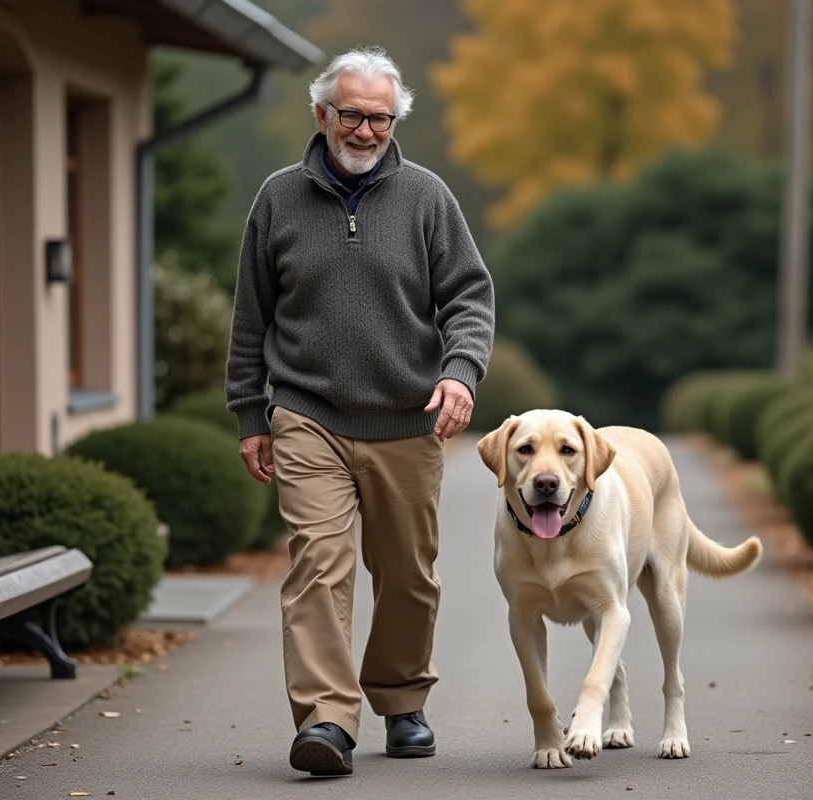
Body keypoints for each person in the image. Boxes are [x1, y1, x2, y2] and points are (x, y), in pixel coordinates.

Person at [224, 45, 495, 777]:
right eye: (352, 114)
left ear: (394, 120)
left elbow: (470, 297)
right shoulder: (278, 198)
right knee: (319, 564)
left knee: (407, 574)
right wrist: (252, 414)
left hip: (408, 418)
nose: (366, 130)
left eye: (380, 117)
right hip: (307, 414)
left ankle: (402, 700)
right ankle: (326, 720)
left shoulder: (428, 197)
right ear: (323, 115)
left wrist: (461, 375)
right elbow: (252, 318)